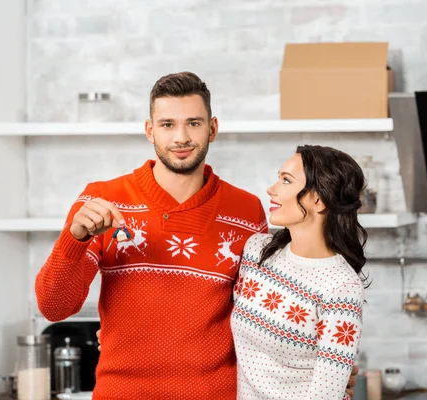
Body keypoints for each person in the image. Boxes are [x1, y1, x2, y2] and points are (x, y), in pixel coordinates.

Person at [35, 72, 358, 399]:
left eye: (193, 123)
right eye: (167, 125)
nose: (180, 137)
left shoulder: (246, 211)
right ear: (150, 131)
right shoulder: (102, 200)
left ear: (212, 128)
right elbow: (54, 307)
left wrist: (325, 368)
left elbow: (267, 311)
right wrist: (74, 239)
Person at [231, 145, 369, 399]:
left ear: (318, 201)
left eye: (286, 180)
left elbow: (326, 393)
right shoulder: (258, 251)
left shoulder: (342, 287)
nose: (271, 189)